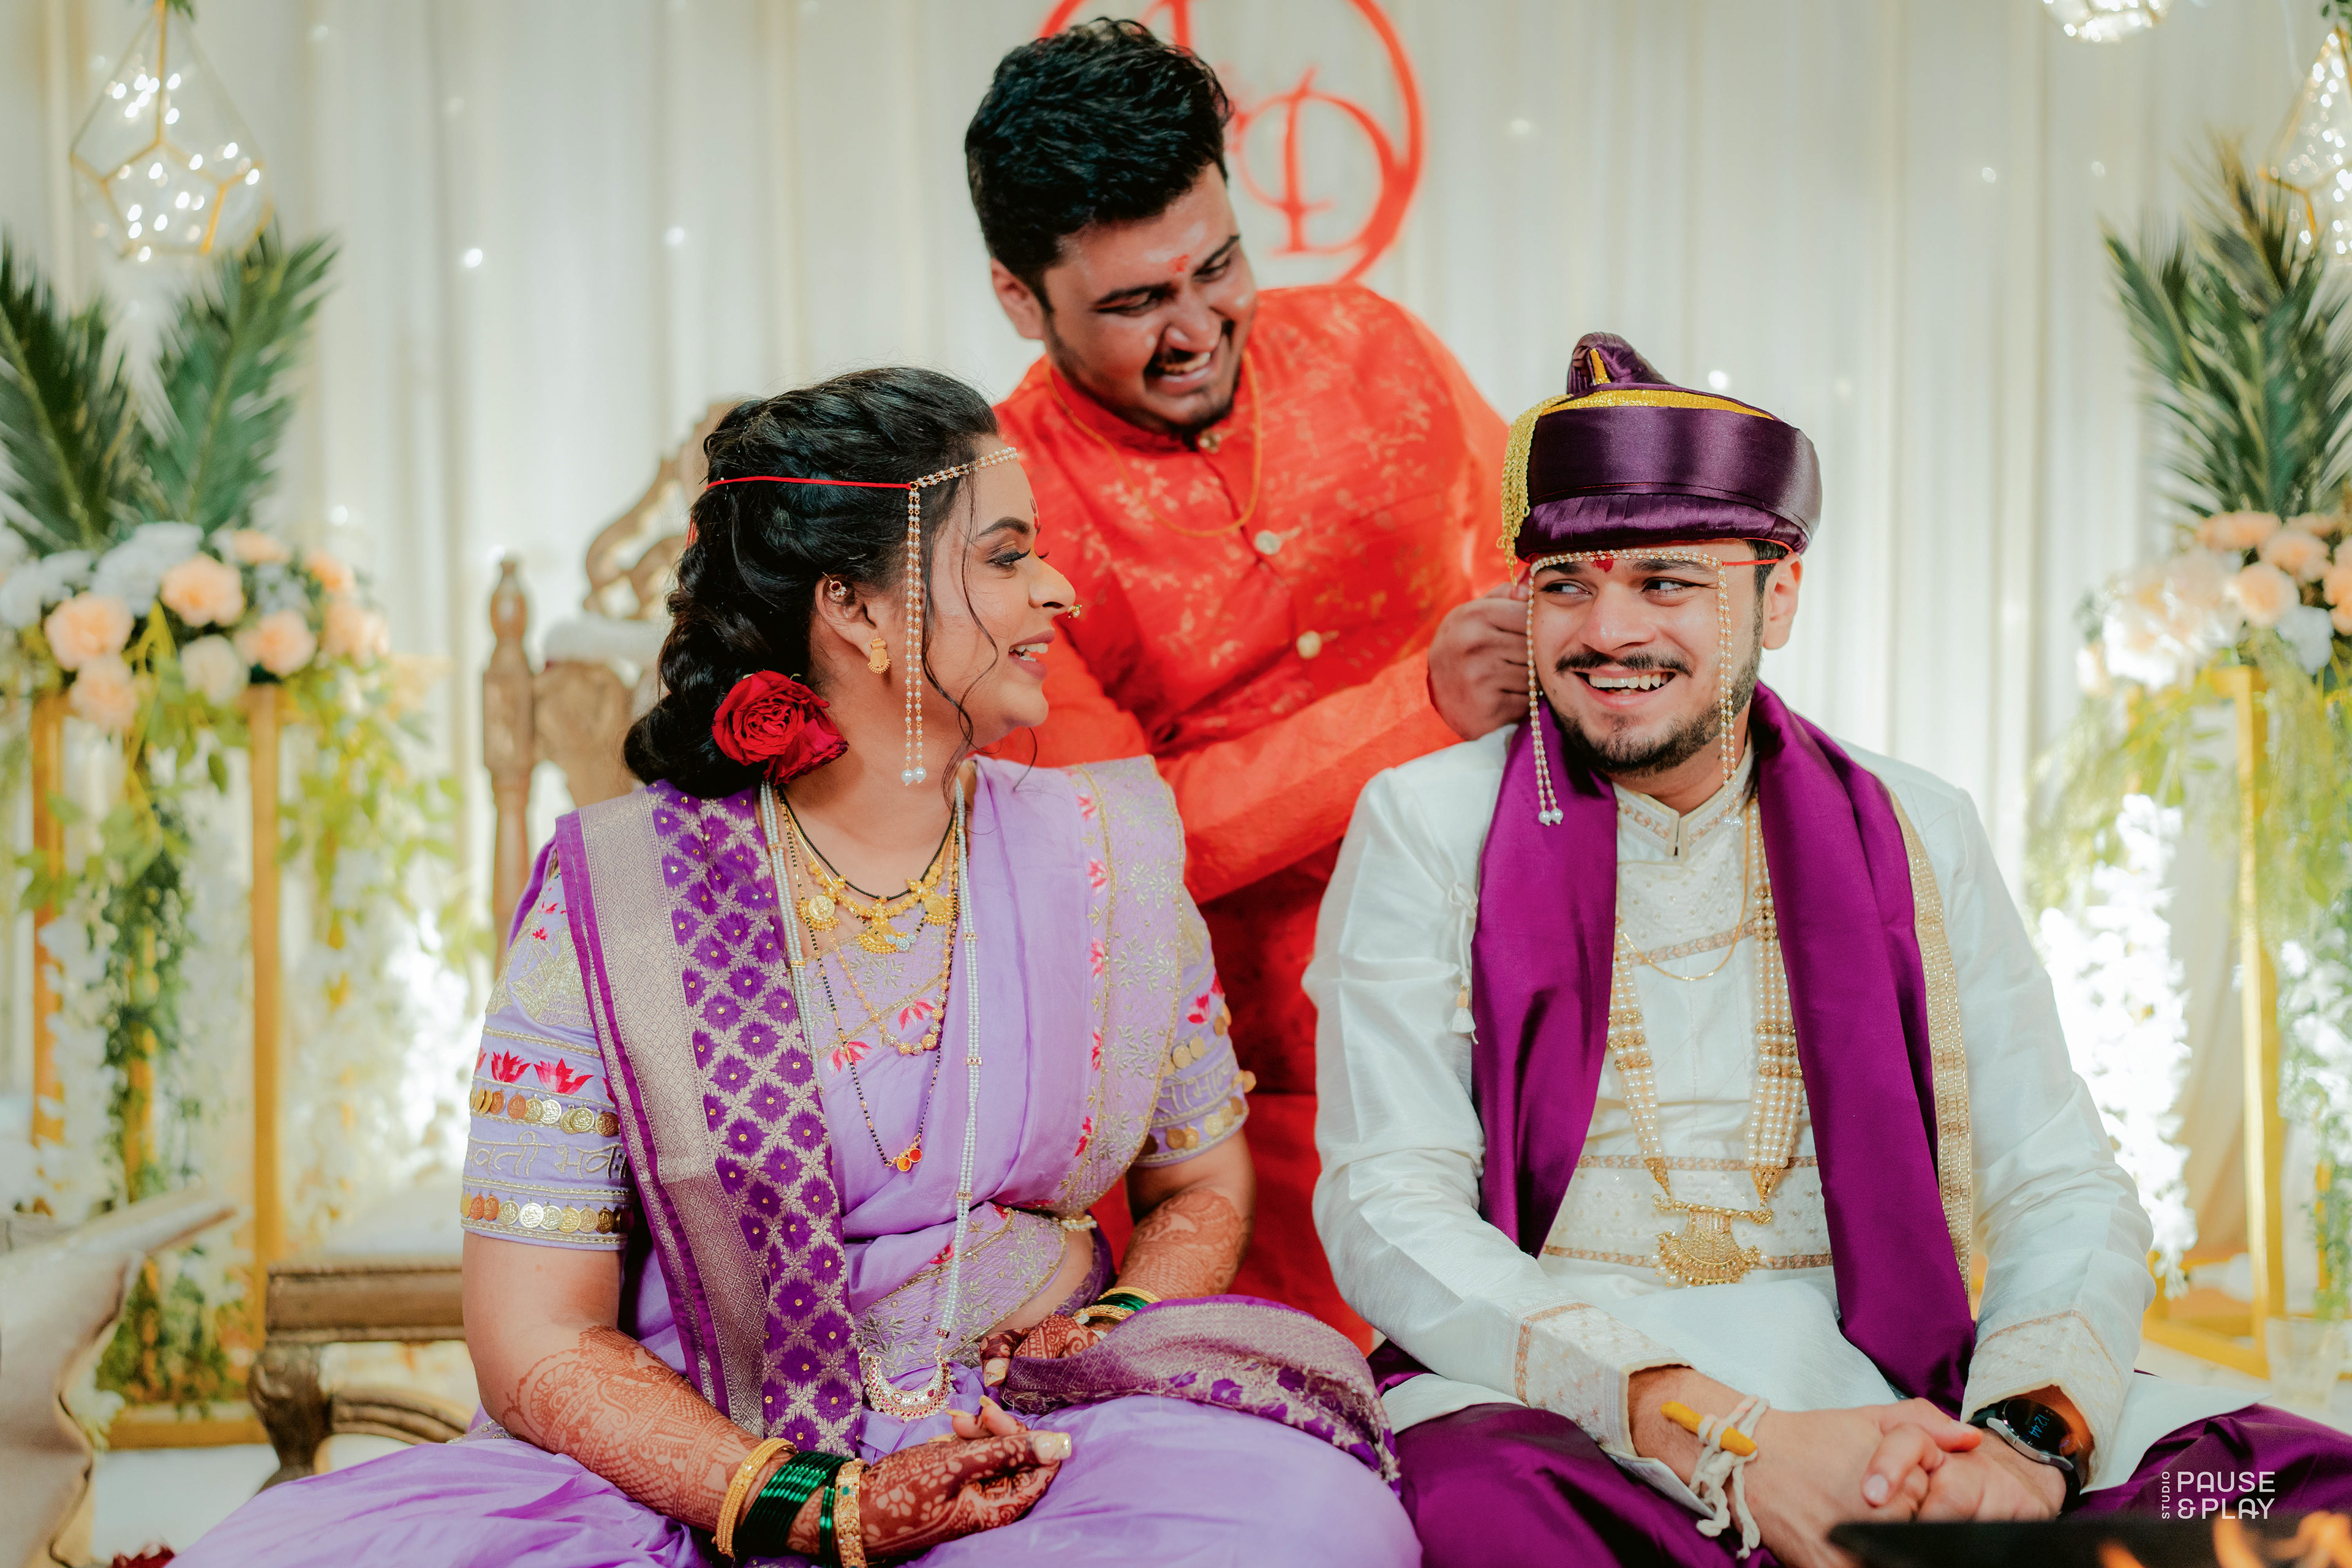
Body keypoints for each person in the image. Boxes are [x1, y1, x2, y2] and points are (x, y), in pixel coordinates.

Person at [181, 369, 1415, 1567]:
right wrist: (817, 1503)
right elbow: (537, 1332)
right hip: (695, 1459)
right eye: (1003, 557)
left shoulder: (1105, 854)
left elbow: (1198, 1182)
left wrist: (1102, 1334)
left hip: (1038, 1434)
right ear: (857, 611)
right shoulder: (623, 900)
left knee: (1316, 1531)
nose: (1056, 589)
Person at [1307, 333, 2352, 1568]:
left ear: (1779, 596)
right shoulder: (1429, 823)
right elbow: (1386, 1202)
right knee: (1488, 1513)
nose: (1608, 630)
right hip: (1585, 1401)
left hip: (1901, 1384)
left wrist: (2023, 1446)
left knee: (2293, 1496)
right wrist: (1719, 1435)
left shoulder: (1916, 825)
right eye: (1567, 585)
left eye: (1666, 582)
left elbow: (2060, 1181)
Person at [967, 21, 1525, 1341]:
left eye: (1218, 267)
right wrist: (1420, 707)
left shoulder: (1378, 348)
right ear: (1019, 298)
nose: (1197, 328)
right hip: (1243, 1108)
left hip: (1520, 1018)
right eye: (1133, 304)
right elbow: (1118, 838)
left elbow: (1539, 569)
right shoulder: (999, 516)